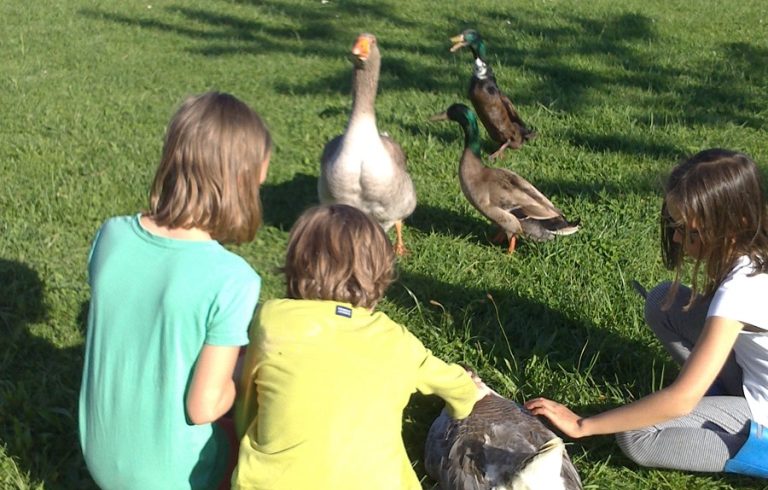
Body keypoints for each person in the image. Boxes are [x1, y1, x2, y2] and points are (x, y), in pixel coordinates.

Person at [526, 148, 768, 477]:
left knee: (638, 435)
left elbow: (681, 400)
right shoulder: (752, 243)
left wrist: (584, 424)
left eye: (690, 231)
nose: (679, 238)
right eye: (674, 225)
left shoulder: (741, 289)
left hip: (763, 409)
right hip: (752, 376)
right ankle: (718, 401)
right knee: (662, 303)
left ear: (734, 223)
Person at [78, 91, 272, 489]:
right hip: (172, 476)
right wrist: (244, 381)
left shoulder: (111, 235)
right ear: (238, 183)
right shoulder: (233, 279)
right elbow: (202, 407)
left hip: (98, 456)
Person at [231, 203, 487, 490]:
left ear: (296, 264)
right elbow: (460, 389)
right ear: (378, 274)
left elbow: (247, 400)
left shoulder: (272, 320)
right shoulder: (396, 340)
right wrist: (463, 402)